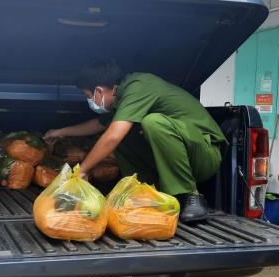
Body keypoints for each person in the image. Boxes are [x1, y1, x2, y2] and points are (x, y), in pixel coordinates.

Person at [43, 58, 227, 223]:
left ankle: (190, 196)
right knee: (122, 129)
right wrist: (60, 131)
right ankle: (144, 193)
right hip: (184, 158)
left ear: (99, 91)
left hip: (205, 155)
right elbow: (99, 125)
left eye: (87, 96)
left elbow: (113, 135)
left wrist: (82, 170)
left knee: (151, 123)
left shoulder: (140, 85)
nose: (89, 101)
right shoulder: (122, 98)